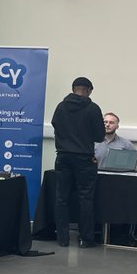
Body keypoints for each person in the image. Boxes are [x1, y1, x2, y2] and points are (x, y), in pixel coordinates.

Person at [51, 76, 105, 248]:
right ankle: (86, 239)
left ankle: (62, 238)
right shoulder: (92, 108)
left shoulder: (60, 107)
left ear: (73, 88)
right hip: (84, 158)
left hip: (63, 157)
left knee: (61, 198)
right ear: (89, 90)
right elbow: (99, 136)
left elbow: (55, 126)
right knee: (86, 198)